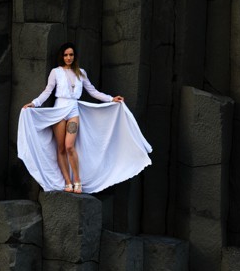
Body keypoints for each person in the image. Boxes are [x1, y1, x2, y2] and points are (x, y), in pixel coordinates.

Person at [18, 42, 152, 194]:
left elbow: (93, 91)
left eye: (71, 55)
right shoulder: (56, 72)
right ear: (62, 57)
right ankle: (67, 182)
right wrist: (34, 103)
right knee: (61, 147)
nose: (68, 57)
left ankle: (77, 181)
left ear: (75, 56)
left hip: (73, 110)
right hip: (58, 112)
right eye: (66, 55)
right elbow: (47, 91)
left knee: (69, 146)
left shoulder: (81, 73)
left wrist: (110, 99)